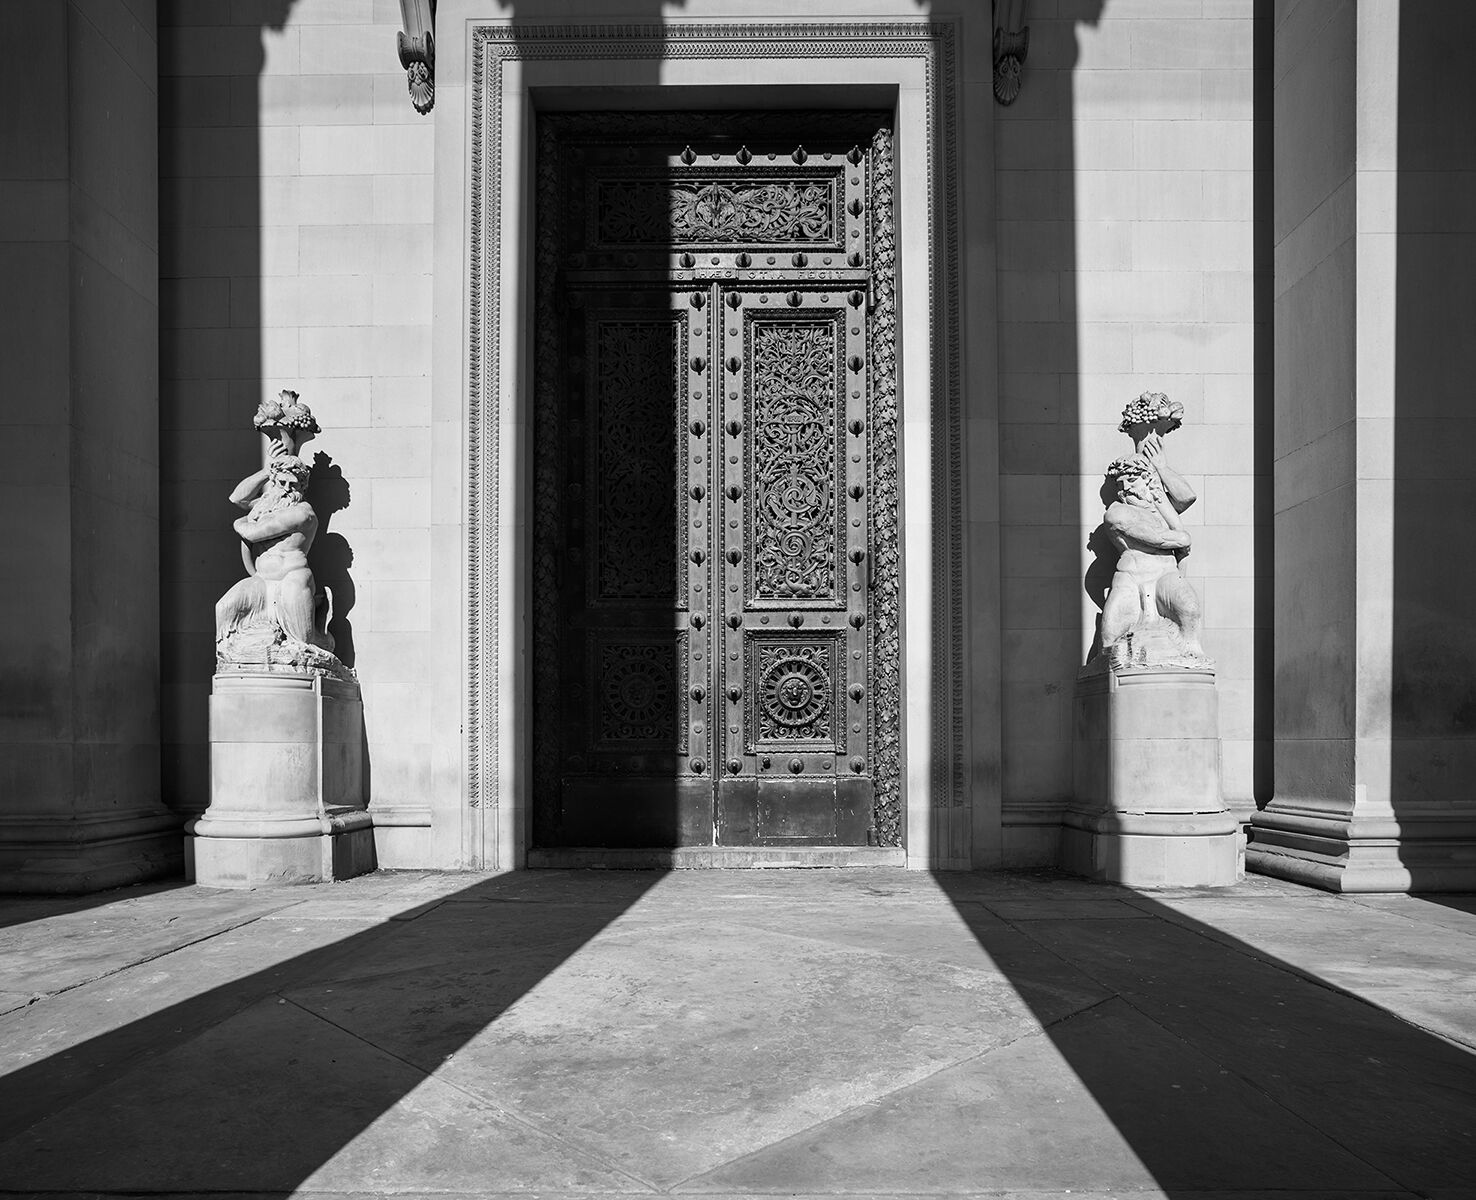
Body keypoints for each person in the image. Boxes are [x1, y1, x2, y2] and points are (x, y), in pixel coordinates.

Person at [215, 393, 338, 667]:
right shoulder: (271, 503)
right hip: (262, 583)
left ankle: (322, 633)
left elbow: (252, 533)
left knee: (302, 644)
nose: (283, 487)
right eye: (279, 481)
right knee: (224, 609)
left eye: (288, 482)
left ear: (299, 485)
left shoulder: (302, 513)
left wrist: (242, 523)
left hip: (291, 581)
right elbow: (237, 498)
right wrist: (265, 471)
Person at [1098, 455, 1206, 662]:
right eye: (1120, 483)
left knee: (1189, 608)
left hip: (1166, 572)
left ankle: (1192, 654)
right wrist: (1182, 538)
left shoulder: (1162, 508)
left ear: (1147, 480)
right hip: (1132, 576)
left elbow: (1187, 497)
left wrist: (1162, 467)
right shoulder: (1117, 512)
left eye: (1131, 480)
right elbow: (1158, 538)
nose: (1125, 488)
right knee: (1111, 631)